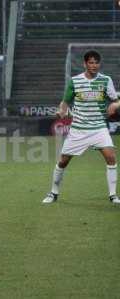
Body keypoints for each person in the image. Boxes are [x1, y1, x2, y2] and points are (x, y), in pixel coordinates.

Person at [42, 50, 120, 204]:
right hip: (79, 129)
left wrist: (115, 105)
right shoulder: (75, 81)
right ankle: (53, 193)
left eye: (96, 62)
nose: (94, 65)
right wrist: (62, 111)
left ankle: (113, 195)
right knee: (63, 162)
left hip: (99, 128)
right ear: (85, 64)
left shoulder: (106, 80)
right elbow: (65, 102)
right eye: (91, 62)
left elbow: (116, 100)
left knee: (111, 158)